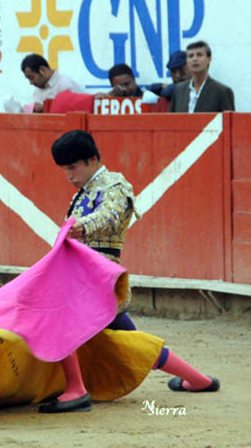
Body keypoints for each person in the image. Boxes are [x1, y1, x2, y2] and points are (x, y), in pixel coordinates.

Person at [38, 130, 220, 413]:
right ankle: (198, 380)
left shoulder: (115, 185)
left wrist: (82, 227)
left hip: (99, 276)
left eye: (72, 167)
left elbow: (111, 214)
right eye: (64, 170)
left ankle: (75, 389)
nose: (68, 175)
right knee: (130, 340)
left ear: (92, 160)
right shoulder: (84, 193)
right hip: (86, 273)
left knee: (62, 318)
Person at [169, 40, 235, 113]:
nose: (195, 59)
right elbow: (171, 121)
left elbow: (228, 122)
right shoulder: (179, 90)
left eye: (199, 55)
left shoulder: (222, 92)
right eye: (191, 56)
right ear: (186, 61)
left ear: (209, 59)